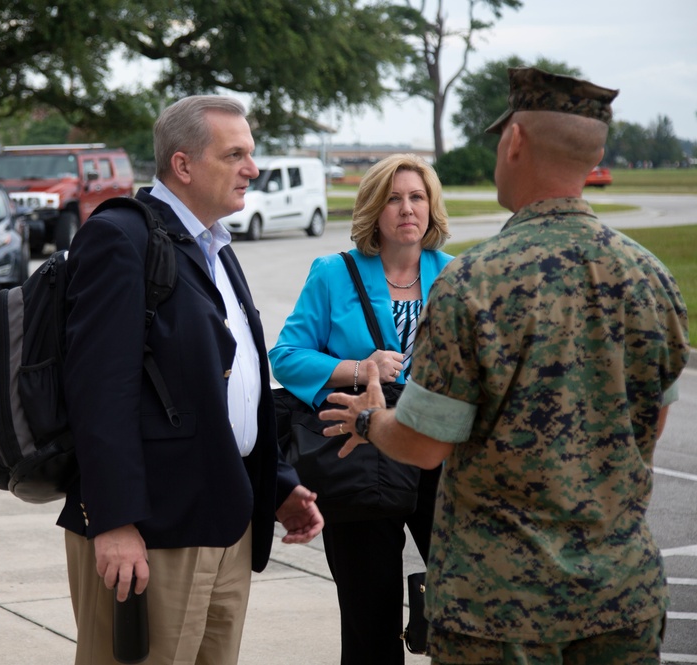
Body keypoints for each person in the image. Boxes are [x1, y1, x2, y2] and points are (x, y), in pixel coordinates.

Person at [320, 67, 690, 663]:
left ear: (514, 142)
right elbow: (654, 423)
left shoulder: (474, 281)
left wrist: (369, 420)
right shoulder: (651, 277)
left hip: (500, 611)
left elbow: (423, 445)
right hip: (622, 596)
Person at [59, 95, 325, 665]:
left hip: (226, 519)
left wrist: (276, 482)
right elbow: (99, 392)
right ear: (183, 165)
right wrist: (114, 521)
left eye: (250, 154)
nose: (253, 169)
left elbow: (229, 386)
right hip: (152, 531)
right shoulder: (122, 240)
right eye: (235, 155)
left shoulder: (215, 248)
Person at [269, 153, 453, 664]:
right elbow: (285, 357)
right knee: (369, 614)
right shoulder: (333, 274)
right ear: (374, 209)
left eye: (417, 197)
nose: (406, 208)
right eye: (393, 198)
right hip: (360, 452)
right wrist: (359, 367)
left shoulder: (459, 277)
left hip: (440, 456)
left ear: (432, 207)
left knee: (463, 602)